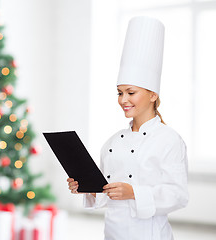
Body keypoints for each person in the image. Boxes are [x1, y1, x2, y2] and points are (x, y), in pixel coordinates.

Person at [67, 16, 189, 240]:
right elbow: (106, 193)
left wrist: (134, 192)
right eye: (119, 92)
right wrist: (88, 187)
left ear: (153, 95)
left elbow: (178, 195)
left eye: (131, 92)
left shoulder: (169, 140)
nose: (123, 99)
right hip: (113, 232)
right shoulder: (113, 142)